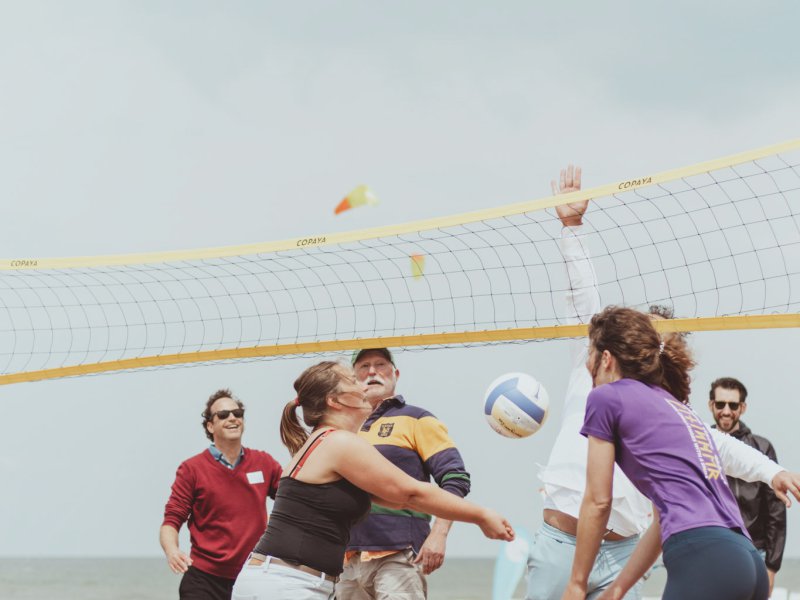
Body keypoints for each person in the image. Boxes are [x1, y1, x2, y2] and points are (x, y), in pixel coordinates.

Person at [527, 165, 800, 600]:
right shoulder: (600, 369)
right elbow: (582, 302)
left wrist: (771, 471)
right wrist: (573, 228)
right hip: (579, 541)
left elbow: (720, 449)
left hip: (643, 547)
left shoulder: (642, 399)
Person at [231, 360, 513, 600]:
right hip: (285, 585)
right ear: (335, 400)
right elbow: (410, 493)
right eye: (353, 379)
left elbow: (398, 497)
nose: (362, 383)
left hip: (287, 582)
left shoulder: (328, 442)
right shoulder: (338, 442)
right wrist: (481, 515)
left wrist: (448, 526)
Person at [563, 306, 768, 600]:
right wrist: (617, 590)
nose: (590, 375)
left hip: (705, 557)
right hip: (746, 560)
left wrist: (577, 584)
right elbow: (660, 526)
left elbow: (598, 501)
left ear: (606, 359)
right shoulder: (677, 408)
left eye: (590, 366)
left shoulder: (606, 397)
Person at [336, 348, 470, 599]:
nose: (372, 371)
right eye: (364, 366)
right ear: (353, 379)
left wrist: (438, 535)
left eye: (381, 364)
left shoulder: (417, 418)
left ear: (395, 373)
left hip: (398, 552)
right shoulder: (344, 429)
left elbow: (455, 478)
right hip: (347, 560)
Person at [161, 389, 282, 600]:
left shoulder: (264, 463)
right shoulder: (192, 469)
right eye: (223, 415)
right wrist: (172, 551)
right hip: (204, 581)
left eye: (238, 413)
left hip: (252, 577)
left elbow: (295, 501)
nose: (233, 418)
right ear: (210, 426)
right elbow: (171, 521)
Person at [708, 377, 786, 596]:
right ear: (711, 405)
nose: (726, 411)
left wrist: (772, 566)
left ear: (742, 408)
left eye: (733, 405)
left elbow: (776, 512)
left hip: (755, 551)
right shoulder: (701, 447)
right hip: (714, 550)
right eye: (720, 404)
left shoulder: (761, 448)